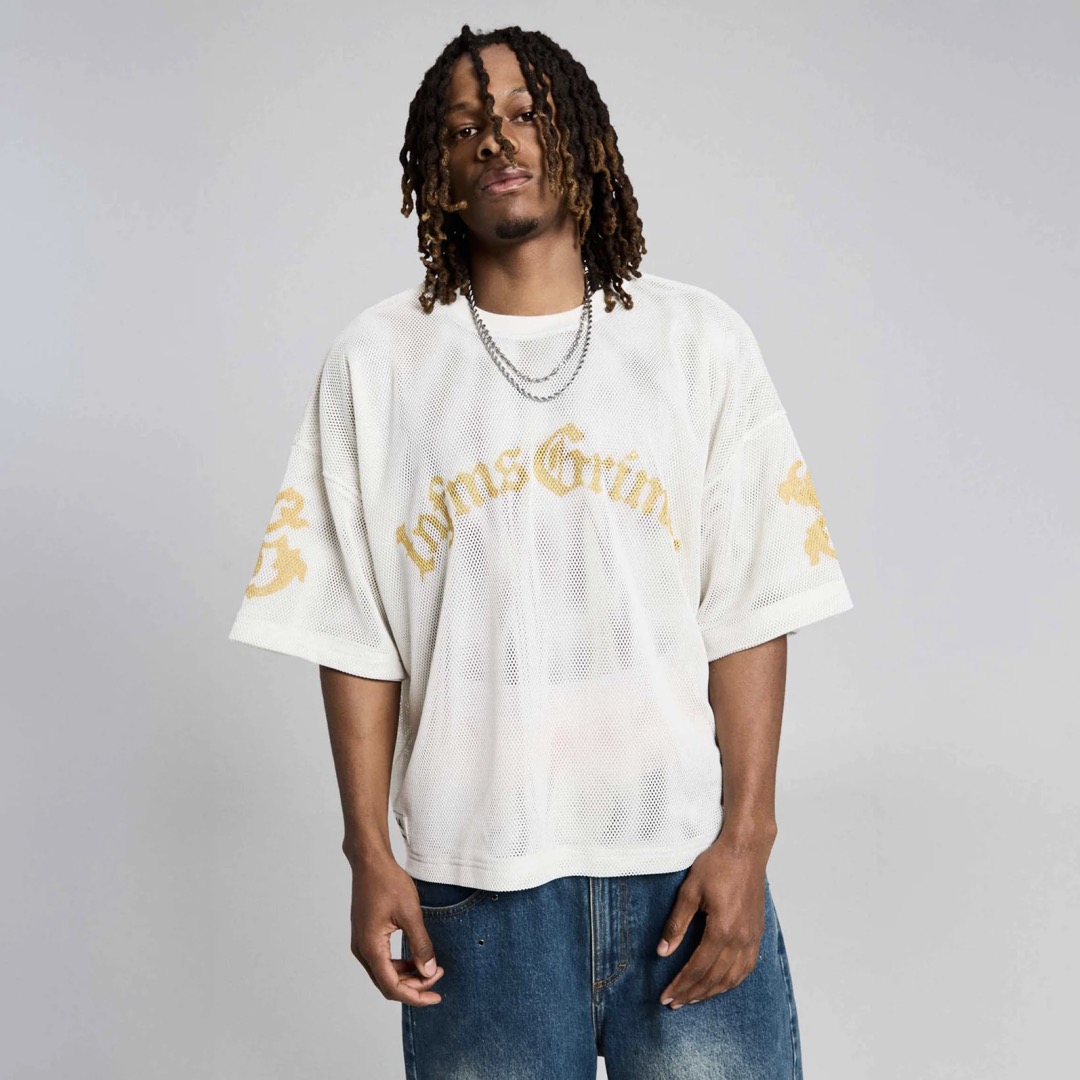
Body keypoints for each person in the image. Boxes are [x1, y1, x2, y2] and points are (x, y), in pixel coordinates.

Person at [227, 23, 853, 1080]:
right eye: (462, 128)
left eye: (524, 114)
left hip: (679, 865)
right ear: (434, 171)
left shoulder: (696, 342)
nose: (495, 140)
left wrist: (747, 840)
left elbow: (752, 603)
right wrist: (368, 850)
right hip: (475, 886)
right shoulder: (379, 364)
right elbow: (352, 630)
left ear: (582, 138)